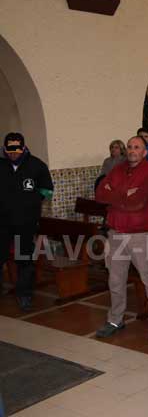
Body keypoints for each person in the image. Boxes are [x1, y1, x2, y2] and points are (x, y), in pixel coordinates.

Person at [95, 136, 148, 342]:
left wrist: (115, 195)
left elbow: (137, 202)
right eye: (129, 147)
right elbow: (100, 194)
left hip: (140, 235)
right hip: (116, 233)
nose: (132, 150)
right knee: (115, 280)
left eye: (137, 147)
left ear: (145, 152)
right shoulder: (117, 170)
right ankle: (115, 320)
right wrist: (125, 194)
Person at [0, 133, 53, 311]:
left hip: (25, 223)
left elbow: (47, 190)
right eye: (9, 149)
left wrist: (32, 202)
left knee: (24, 259)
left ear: (23, 147)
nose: (13, 152)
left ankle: (24, 295)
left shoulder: (37, 165)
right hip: (2, 223)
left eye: (16, 148)